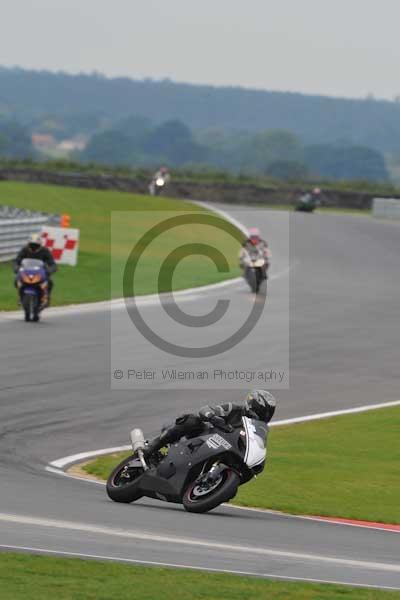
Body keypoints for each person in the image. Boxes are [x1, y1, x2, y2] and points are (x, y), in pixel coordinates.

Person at [143, 390, 277, 464]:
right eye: (263, 411)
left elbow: (256, 447)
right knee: (192, 420)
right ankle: (151, 447)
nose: (265, 415)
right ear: (253, 406)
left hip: (223, 450)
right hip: (203, 437)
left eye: (268, 413)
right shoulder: (234, 409)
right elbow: (206, 409)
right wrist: (213, 417)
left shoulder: (259, 430)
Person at [14, 233, 57, 305]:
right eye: (32, 245)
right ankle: (21, 297)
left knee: (50, 282)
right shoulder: (24, 250)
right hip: (26, 271)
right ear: (28, 244)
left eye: (36, 245)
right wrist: (16, 268)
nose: (33, 247)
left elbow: (52, 264)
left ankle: (47, 297)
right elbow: (17, 261)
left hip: (41, 272)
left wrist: (49, 270)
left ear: (40, 245)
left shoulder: (45, 251)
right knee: (16, 280)